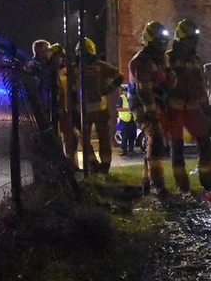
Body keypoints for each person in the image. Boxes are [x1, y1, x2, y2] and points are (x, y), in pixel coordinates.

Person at [166, 19, 211, 192]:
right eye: (190, 39)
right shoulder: (168, 58)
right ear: (181, 39)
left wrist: (205, 106)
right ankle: (182, 186)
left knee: (205, 144)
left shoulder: (196, 59)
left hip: (193, 108)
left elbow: (201, 84)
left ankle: (207, 181)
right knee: (177, 147)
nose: (193, 43)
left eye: (194, 39)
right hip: (174, 108)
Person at [128, 21, 174, 197]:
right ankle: (157, 185)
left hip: (159, 103)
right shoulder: (140, 61)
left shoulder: (163, 59)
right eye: (158, 42)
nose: (162, 45)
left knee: (154, 142)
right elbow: (144, 90)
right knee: (155, 137)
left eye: (164, 41)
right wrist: (152, 111)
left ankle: (146, 182)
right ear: (149, 41)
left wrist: (170, 80)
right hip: (142, 105)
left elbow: (170, 80)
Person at [73, 37, 123, 174]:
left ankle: (95, 164)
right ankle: (102, 166)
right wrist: (108, 89)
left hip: (85, 111)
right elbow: (119, 76)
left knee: (86, 139)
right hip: (98, 109)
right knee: (103, 138)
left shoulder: (74, 69)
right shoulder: (100, 66)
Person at [116, 84, 137, 156]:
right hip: (124, 120)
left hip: (132, 119)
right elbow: (118, 108)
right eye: (125, 91)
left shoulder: (130, 98)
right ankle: (124, 150)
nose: (127, 92)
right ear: (123, 91)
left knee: (133, 135)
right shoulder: (121, 98)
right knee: (125, 136)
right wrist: (128, 109)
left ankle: (131, 149)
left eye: (127, 91)